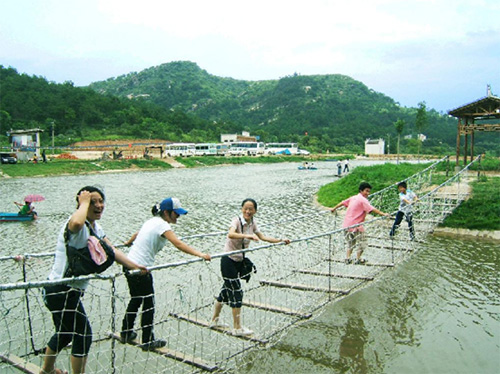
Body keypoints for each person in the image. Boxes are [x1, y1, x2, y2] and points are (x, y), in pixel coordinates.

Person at [40, 186, 147, 374]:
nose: (99, 205)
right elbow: (75, 223)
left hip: (66, 291)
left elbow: (112, 252)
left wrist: (135, 266)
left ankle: (46, 371)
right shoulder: (76, 225)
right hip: (61, 290)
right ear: (82, 204)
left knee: (64, 333)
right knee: (83, 334)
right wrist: (83, 203)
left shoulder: (95, 227)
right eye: (93, 202)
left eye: (100, 201)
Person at [121, 197, 211, 350]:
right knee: (149, 304)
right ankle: (148, 340)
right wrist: (200, 254)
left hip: (128, 265)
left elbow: (138, 233)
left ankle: (126, 332)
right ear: (166, 212)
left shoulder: (152, 221)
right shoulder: (162, 225)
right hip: (140, 270)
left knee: (136, 300)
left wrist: (128, 243)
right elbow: (178, 243)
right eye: (176, 213)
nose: (178, 216)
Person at [210, 198, 291, 336]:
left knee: (225, 291)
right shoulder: (236, 221)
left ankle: (214, 320)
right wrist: (248, 235)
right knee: (236, 292)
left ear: (255, 211)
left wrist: (280, 240)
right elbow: (231, 233)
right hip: (228, 260)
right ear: (242, 209)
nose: (248, 211)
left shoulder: (253, 223)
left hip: (239, 261)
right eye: (245, 208)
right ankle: (237, 328)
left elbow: (263, 237)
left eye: (251, 209)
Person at [330, 182, 390, 264]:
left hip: (346, 225)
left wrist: (334, 208)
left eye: (369, 191)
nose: (368, 193)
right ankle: (358, 259)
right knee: (363, 243)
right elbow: (371, 209)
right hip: (356, 226)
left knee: (351, 243)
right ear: (361, 191)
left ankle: (348, 258)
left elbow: (343, 202)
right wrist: (383, 214)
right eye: (366, 191)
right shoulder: (363, 200)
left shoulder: (354, 197)